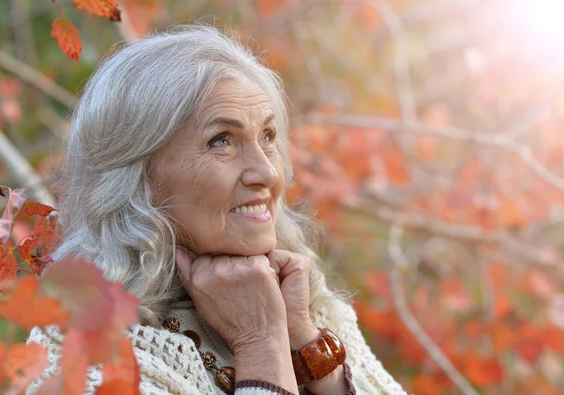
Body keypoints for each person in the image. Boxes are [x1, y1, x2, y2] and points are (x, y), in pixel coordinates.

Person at [26, 25, 406, 395]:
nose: (267, 172)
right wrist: (261, 344)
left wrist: (305, 344)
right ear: (138, 174)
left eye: (268, 137)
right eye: (221, 141)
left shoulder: (310, 306)